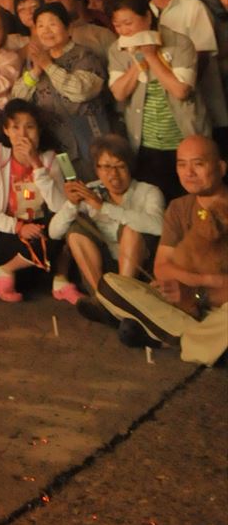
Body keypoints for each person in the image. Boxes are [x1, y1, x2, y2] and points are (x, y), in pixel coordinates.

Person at [85, 135, 228, 364]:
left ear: (221, 167)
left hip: (220, 308)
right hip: (183, 304)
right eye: (182, 164)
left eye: (198, 164)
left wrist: (199, 294)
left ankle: (170, 336)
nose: (189, 172)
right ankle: (200, 342)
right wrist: (197, 282)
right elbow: (162, 267)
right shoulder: (179, 208)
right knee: (111, 285)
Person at [107, 0, 203, 198]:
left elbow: (181, 90)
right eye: (118, 25)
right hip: (145, 145)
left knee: (191, 203)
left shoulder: (179, 43)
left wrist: (151, 56)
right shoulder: (118, 50)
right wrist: (137, 60)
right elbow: (119, 93)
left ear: (148, 17)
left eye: (128, 23)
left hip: (183, 140)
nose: (124, 30)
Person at [0, 101, 69, 303]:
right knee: (40, 248)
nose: (23, 135)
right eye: (15, 127)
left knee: (56, 237)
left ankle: (6, 271)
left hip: (37, 229)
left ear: (39, 130)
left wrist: (36, 165)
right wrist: (16, 227)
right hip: (1, 232)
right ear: (6, 130)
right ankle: (9, 268)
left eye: (30, 127)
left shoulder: (51, 158)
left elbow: (60, 207)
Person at [49, 135, 164, 303]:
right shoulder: (90, 191)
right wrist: (71, 204)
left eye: (120, 167)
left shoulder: (148, 192)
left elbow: (159, 226)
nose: (113, 175)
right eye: (106, 167)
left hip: (137, 271)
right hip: (101, 269)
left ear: (130, 168)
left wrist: (103, 207)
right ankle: (103, 299)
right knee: (75, 232)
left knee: (131, 229)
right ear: (97, 169)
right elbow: (54, 232)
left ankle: (122, 299)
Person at [11, 1, 109, 176]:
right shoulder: (35, 61)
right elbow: (18, 98)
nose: (46, 30)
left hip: (89, 140)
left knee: (97, 185)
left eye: (52, 24)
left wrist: (48, 66)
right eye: (40, 25)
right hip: (56, 146)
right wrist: (35, 71)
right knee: (70, 188)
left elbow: (80, 91)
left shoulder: (84, 55)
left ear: (68, 28)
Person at [135, 0, 227, 133]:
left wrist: (181, 89)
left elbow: (203, 56)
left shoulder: (193, 7)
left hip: (202, 106)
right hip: (164, 117)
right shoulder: (142, 16)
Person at [44, 0, 115, 61]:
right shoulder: (40, 40)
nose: (56, 3)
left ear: (77, 3)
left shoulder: (101, 35)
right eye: (50, 0)